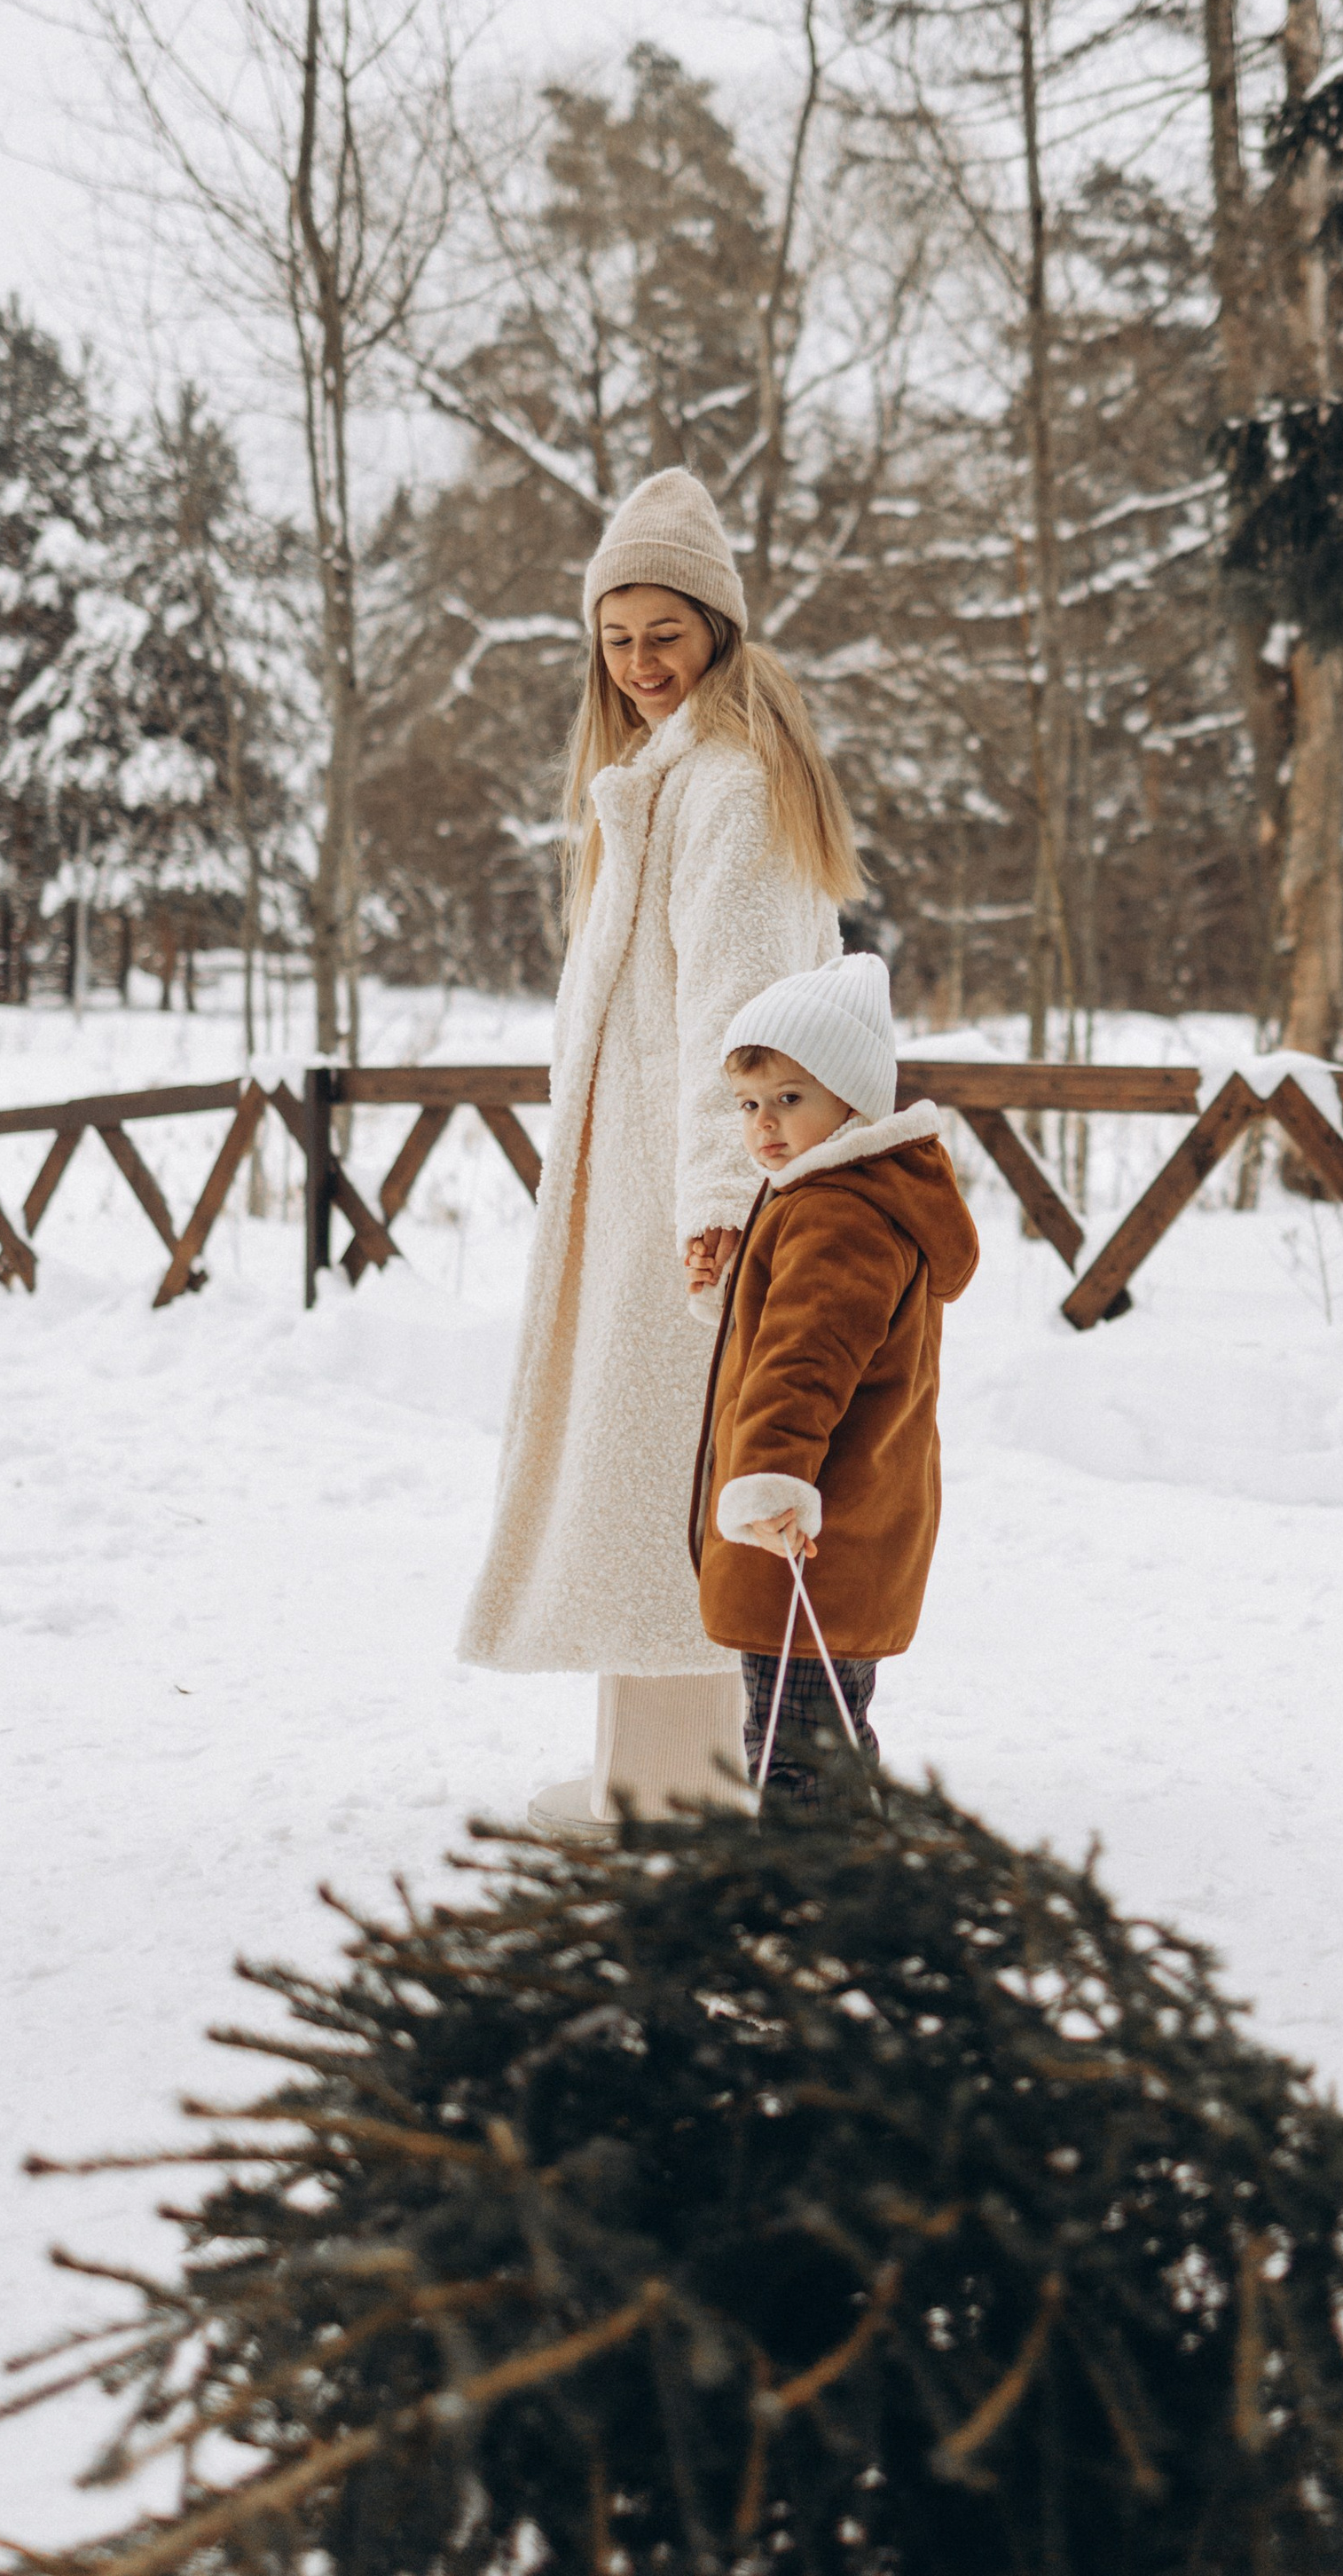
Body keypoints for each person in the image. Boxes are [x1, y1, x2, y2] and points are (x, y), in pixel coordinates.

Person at [457, 470, 860, 1836]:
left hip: (691, 1205)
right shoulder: (660, 783)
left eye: (664, 631)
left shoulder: (728, 788)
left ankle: (680, 1778)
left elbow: (740, 1029)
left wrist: (721, 1206)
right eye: (615, 634)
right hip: (641, 1194)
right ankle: (656, 1761)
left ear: (718, 630)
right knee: (649, 1473)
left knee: (673, 1475)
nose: (638, 662)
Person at [686, 952, 978, 1805]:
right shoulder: (841, 1192)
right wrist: (743, 1277)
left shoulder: (839, 1212)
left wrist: (770, 1475)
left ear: (851, 1096)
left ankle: (810, 1909)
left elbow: (806, 1362)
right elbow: (807, 1320)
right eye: (749, 1103)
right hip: (844, 1529)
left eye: (790, 1098)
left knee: (796, 1749)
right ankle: (837, 1890)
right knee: (824, 1732)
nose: (764, 1125)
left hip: (808, 1529)